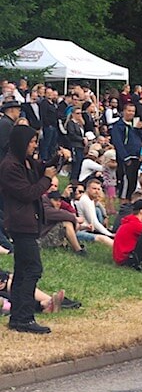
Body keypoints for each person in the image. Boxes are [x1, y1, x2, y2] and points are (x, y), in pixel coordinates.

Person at [0, 125, 57, 333]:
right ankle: (24, 317)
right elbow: (28, 192)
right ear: (21, 142)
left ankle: (18, 317)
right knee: (32, 269)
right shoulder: (9, 166)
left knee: (23, 270)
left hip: (29, 222)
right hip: (20, 223)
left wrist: (56, 161)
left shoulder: (25, 161)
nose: (34, 145)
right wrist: (48, 179)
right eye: (32, 142)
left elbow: (41, 169)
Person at [112, 102, 142, 202]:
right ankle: (123, 204)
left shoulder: (135, 126)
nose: (131, 113)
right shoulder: (118, 126)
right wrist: (125, 158)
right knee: (126, 182)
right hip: (126, 159)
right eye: (129, 111)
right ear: (124, 111)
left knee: (133, 182)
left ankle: (130, 203)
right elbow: (118, 143)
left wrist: (140, 129)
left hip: (136, 158)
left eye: (133, 111)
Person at [112, 198, 142, 266]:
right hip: (126, 259)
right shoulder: (136, 225)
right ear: (141, 211)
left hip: (120, 258)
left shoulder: (128, 221)